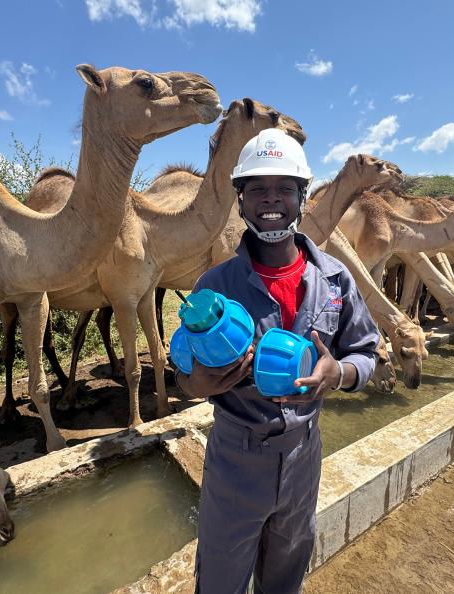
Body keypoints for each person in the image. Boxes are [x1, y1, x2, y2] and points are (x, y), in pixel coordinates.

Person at [175, 128, 380, 594]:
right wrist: (200, 384)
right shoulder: (215, 286)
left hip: (304, 455)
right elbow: (185, 374)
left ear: (302, 197)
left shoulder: (334, 280)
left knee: (286, 580)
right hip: (235, 457)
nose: (272, 200)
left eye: (284, 188)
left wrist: (338, 374)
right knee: (220, 582)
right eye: (258, 189)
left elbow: (366, 354)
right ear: (241, 201)